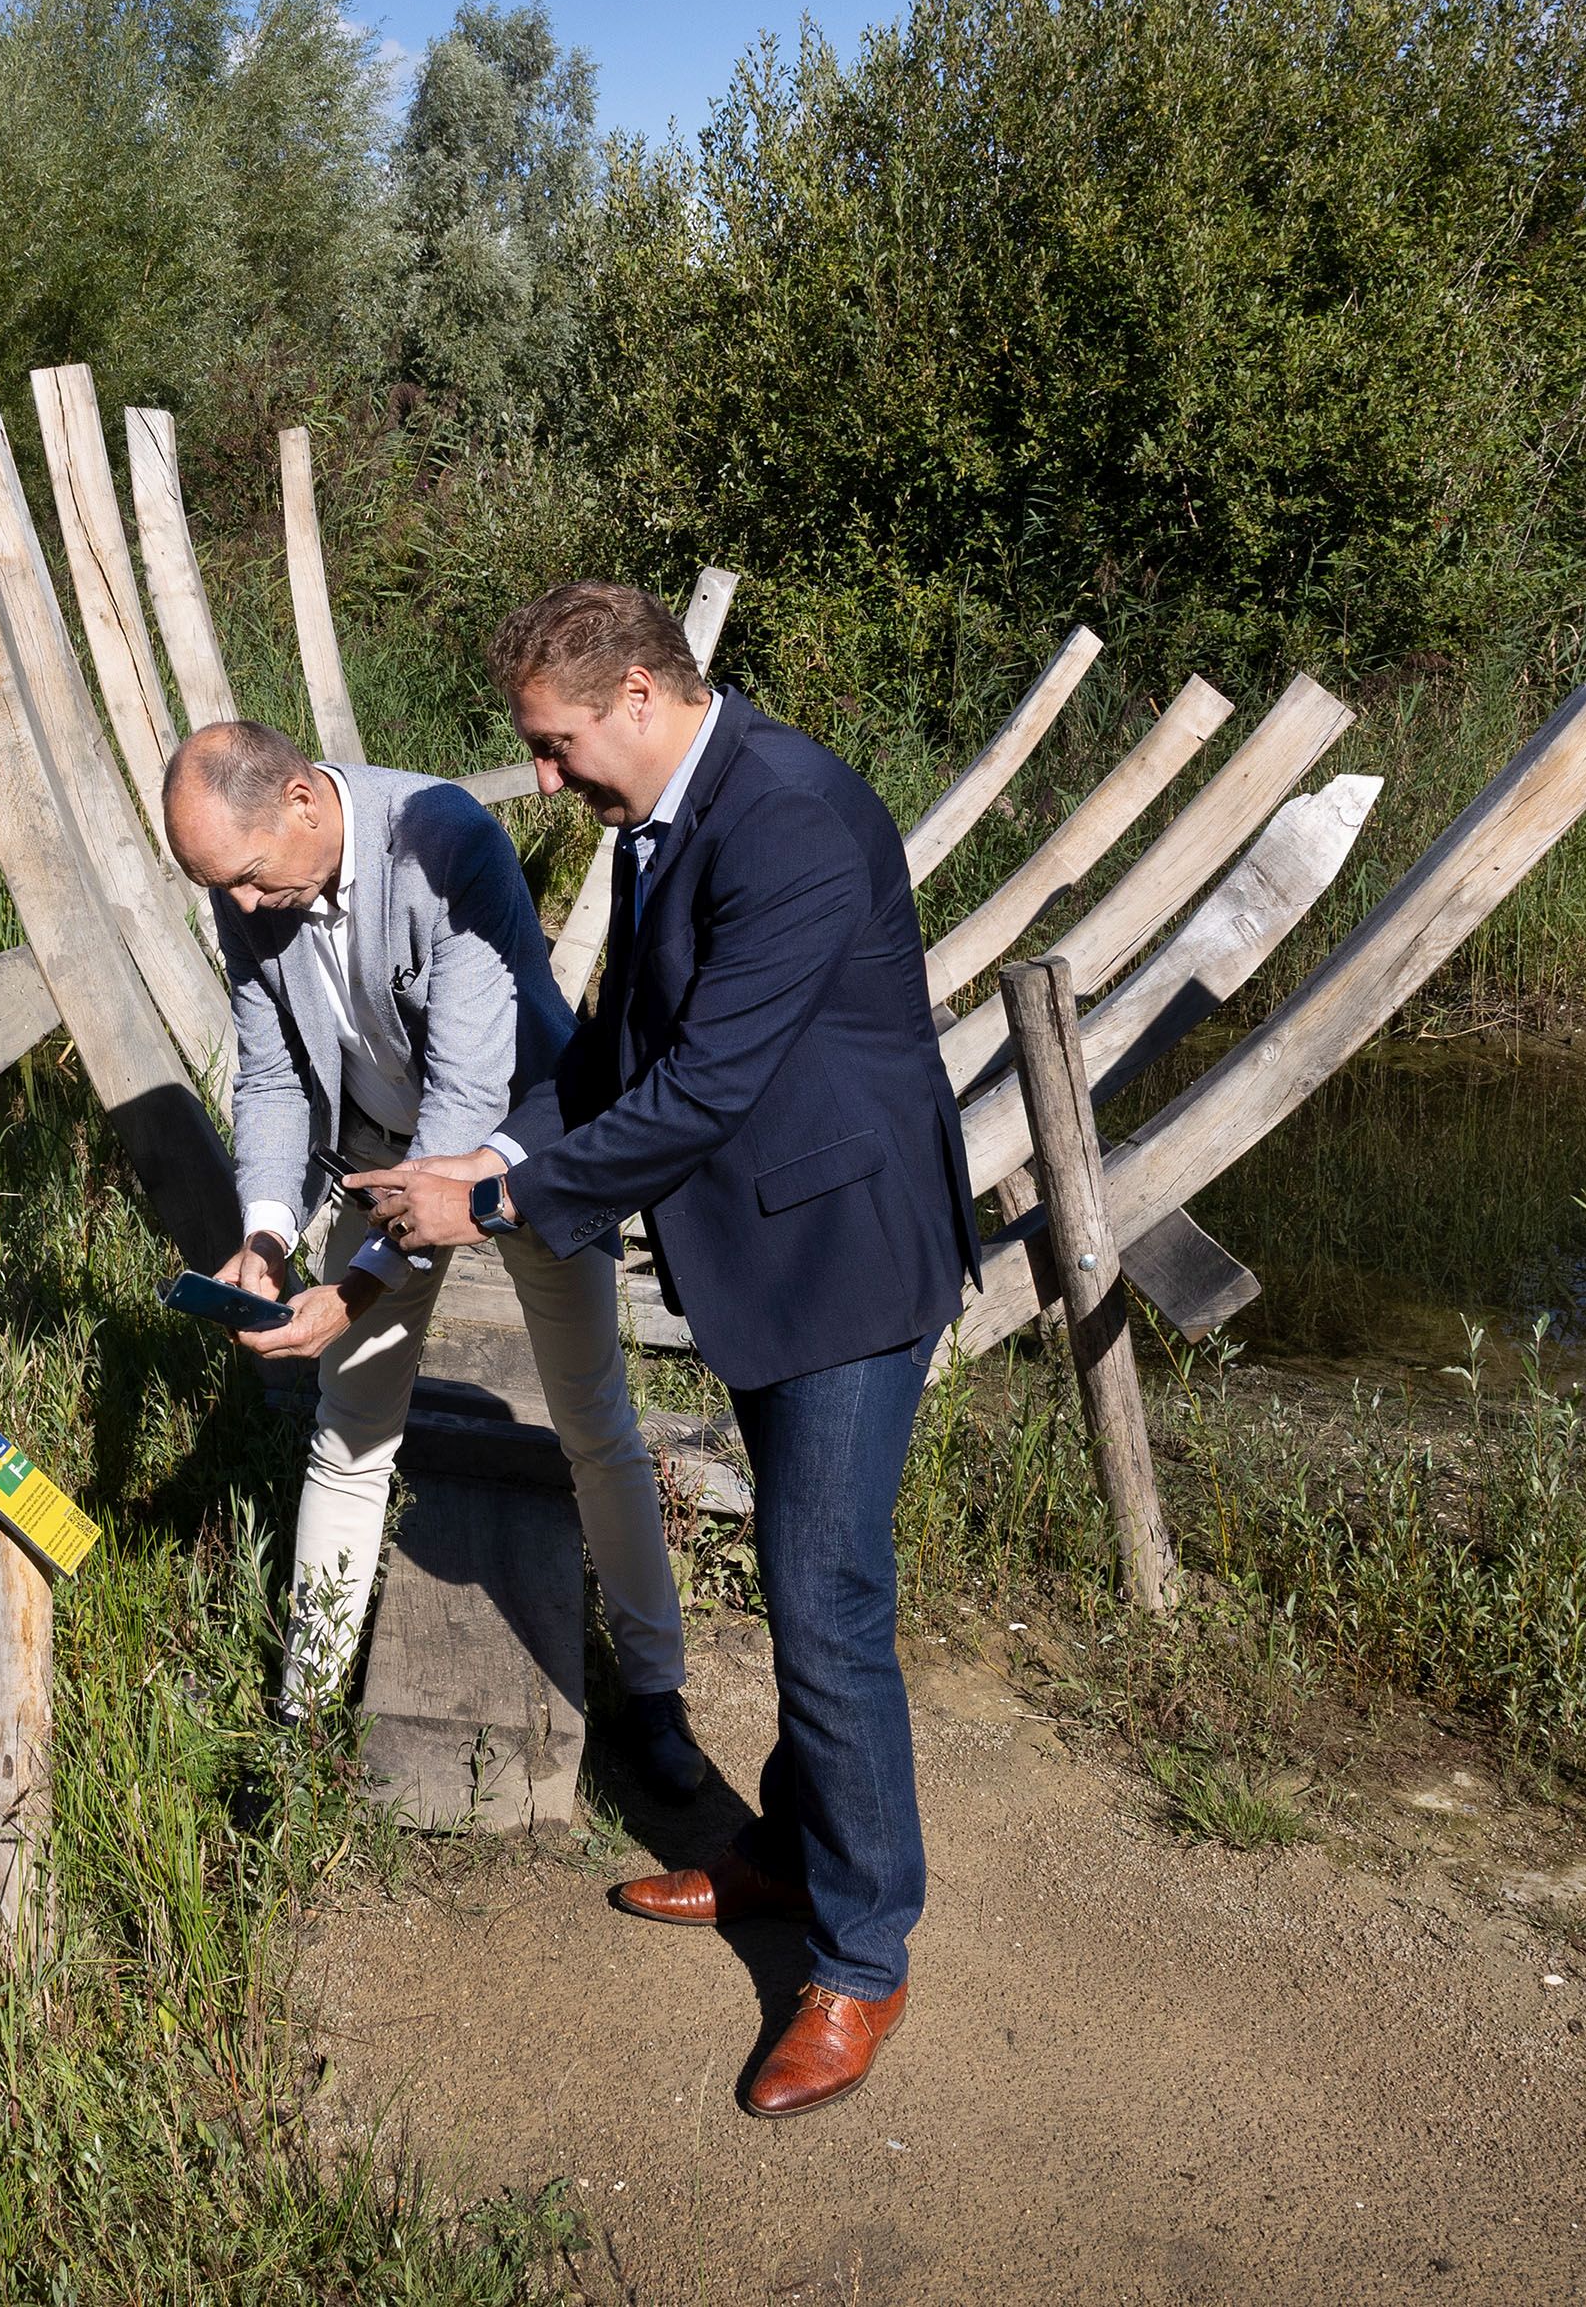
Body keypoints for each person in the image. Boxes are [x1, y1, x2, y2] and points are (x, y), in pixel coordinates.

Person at [351, 583, 980, 2118]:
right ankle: (788, 1848)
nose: (547, 781)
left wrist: (495, 1191)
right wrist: (502, 1141)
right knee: (796, 1572)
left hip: (841, 1253)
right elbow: (619, 1055)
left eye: (556, 748)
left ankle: (861, 1954)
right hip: (772, 1250)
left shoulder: (787, 820)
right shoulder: (666, 818)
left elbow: (699, 1089)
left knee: (826, 1602)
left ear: (637, 694)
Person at [163, 719, 701, 1795]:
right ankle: (302, 1717)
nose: (240, 909)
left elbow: (462, 1102)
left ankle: (655, 1693)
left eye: (251, 880)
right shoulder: (249, 882)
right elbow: (269, 1079)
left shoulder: (442, 840)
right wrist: (269, 1239)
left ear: (305, 805)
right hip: (375, 1154)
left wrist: (355, 1289)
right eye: (217, 886)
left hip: (516, 1146)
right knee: (349, 1428)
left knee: (594, 1424)